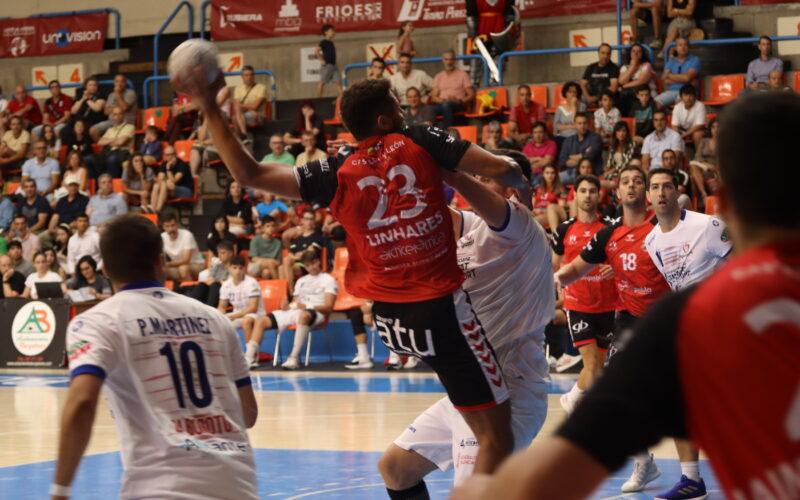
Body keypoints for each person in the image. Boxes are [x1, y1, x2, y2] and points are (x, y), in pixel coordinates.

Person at [171, 68, 527, 479]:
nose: (402, 111)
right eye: (397, 105)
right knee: (497, 437)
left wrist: (211, 110)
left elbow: (249, 174)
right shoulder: (420, 139)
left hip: (389, 319)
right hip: (439, 309)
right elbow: (504, 172)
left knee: (412, 454)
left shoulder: (335, 169)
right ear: (385, 119)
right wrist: (507, 173)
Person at [452, 91, 800, 500]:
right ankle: (679, 472)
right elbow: (575, 266)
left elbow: (534, 482)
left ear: (723, 203)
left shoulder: (692, 322)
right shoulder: (635, 253)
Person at [379, 151, 552, 493]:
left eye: (488, 175)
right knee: (396, 468)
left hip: (511, 391)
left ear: (516, 187)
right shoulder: (470, 230)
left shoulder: (521, 226)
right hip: (471, 386)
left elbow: (463, 183)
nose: (479, 180)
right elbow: (429, 212)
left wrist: (444, 161)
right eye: (480, 175)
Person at [52, 213, 258, 500]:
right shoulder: (216, 319)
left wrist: (60, 491)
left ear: (106, 268)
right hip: (238, 486)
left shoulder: (98, 321)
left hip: (162, 488)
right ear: (160, 261)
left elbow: (82, 402)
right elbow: (248, 415)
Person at [639, 166, 732, 500]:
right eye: (655, 187)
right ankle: (692, 480)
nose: (661, 192)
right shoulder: (651, 240)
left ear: (678, 192)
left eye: (667, 186)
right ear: (648, 196)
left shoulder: (707, 226)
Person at [552, 174, 617, 410]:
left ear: (598, 194)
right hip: (578, 305)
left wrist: (614, 269)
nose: (587, 195)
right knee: (590, 366)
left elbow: (621, 259)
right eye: (583, 190)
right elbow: (555, 264)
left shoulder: (611, 226)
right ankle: (579, 410)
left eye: (592, 191)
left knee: (597, 369)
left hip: (608, 305)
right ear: (575, 194)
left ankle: (571, 399)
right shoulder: (564, 229)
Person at [249, 250, 337, 370]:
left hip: (316, 312)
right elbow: (295, 302)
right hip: (297, 311)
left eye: (313, 263)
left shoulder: (328, 280)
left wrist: (307, 307)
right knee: (261, 321)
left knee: (304, 315)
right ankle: (249, 358)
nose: (311, 267)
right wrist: (287, 306)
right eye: (307, 265)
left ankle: (293, 357)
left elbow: (328, 307)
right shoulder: (301, 281)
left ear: (318, 262)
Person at [218, 255, 264, 364]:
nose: (237, 271)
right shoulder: (226, 285)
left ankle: (250, 356)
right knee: (220, 323)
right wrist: (220, 315)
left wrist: (233, 316)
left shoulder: (251, 283)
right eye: (234, 268)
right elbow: (222, 306)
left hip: (257, 314)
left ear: (245, 268)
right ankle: (225, 356)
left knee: (246, 321)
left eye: (240, 268)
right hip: (238, 314)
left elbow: (253, 308)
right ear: (229, 268)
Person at [281, 208, 323, 293]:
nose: (309, 221)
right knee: (281, 268)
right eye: (306, 219)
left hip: (308, 264)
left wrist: (296, 256)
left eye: (311, 219)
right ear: (302, 220)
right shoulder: (297, 238)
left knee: (286, 262)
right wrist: (297, 255)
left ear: (314, 221)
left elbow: (310, 252)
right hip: (296, 264)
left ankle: (291, 293)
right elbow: (290, 254)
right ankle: (286, 293)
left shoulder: (317, 236)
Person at [430, 50, 475, 129]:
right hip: (442, 103)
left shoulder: (462, 75)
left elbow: (471, 94)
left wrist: (460, 101)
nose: (449, 62)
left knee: (447, 105)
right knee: (427, 109)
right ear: (443, 60)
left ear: (454, 60)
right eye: (446, 59)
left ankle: (447, 132)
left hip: (458, 104)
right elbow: (434, 97)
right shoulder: (439, 76)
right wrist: (444, 100)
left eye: (451, 59)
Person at [558, 112, 603, 183]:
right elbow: (562, 161)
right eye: (579, 123)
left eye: (584, 123)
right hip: (570, 173)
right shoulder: (568, 141)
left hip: (590, 174)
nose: (582, 126)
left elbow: (589, 157)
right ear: (575, 125)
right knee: (553, 178)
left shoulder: (595, 138)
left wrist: (571, 157)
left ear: (588, 124)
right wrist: (582, 155)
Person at [89, 74, 137, 141]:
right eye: (117, 81)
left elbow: (125, 108)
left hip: (126, 122)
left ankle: (111, 145)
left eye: (122, 81)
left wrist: (117, 94)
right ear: (114, 83)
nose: (119, 84)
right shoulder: (111, 95)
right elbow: (106, 111)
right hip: (111, 122)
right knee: (93, 130)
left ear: (125, 83)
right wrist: (118, 108)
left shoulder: (130, 93)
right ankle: (103, 148)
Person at [655, 37, 700, 107]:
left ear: (689, 47)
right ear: (676, 48)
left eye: (685, 45)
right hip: (671, 92)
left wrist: (669, 75)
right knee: (654, 104)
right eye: (680, 45)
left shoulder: (695, 60)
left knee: (679, 105)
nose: (683, 47)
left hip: (687, 92)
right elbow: (665, 80)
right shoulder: (670, 62)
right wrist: (685, 79)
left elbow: (687, 78)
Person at [161, 212, 204, 282]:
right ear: (163, 227)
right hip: (177, 266)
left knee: (183, 268)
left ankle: (190, 291)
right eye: (167, 226)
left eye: (173, 225)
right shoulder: (162, 237)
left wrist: (167, 264)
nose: (170, 229)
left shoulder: (187, 235)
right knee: (160, 271)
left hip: (196, 265)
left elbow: (186, 260)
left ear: (177, 224)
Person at [190, 239, 234, 307]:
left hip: (225, 295)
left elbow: (228, 284)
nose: (219, 255)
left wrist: (216, 282)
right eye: (218, 253)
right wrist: (218, 282)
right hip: (212, 293)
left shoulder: (235, 267)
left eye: (223, 253)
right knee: (201, 285)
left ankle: (210, 309)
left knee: (215, 285)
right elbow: (208, 281)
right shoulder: (217, 266)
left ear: (230, 253)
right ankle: (192, 307)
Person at [93, 107, 134, 178]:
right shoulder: (110, 129)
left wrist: (108, 141)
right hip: (108, 153)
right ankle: (97, 184)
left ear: (123, 115)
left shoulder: (130, 127)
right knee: (89, 159)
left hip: (122, 153)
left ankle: (112, 184)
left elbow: (121, 142)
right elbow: (100, 142)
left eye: (119, 114)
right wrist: (115, 140)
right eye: (115, 114)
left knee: (112, 160)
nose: (117, 116)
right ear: (112, 116)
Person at [151, 144, 194, 213]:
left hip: (186, 191)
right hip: (170, 188)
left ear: (176, 154)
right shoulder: (163, 164)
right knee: (156, 186)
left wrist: (168, 169)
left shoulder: (182, 165)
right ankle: (153, 209)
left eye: (172, 154)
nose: (170, 157)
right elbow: (159, 180)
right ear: (164, 156)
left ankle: (157, 211)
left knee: (166, 184)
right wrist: (166, 182)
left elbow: (174, 181)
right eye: (168, 155)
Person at [689, 117, 718, 203]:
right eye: (713, 127)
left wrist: (714, 167)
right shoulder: (704, 141)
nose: (715, 129)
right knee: (693, 166)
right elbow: (697, 157)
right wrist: (707, 164)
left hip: (717, 168)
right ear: (710, 129)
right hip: (704, 166)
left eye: (718, 127)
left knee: (693, 168)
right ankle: (704, 194)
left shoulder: (724, 141)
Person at [532, 164, 568, 230]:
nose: (550, 176)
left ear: (556, 175)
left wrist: (544, 211)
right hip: (536, 212)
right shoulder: (537, 188)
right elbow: (531, 206)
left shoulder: (560, 190)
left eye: (552, 173)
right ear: (543, 174)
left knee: (532, 222)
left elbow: (561, 208)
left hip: (550, 215)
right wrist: (535, 211)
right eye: (547, 173)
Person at [233, 65, 268, 132]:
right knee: (235, 118)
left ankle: (242, 136)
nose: (249, 77)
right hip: (243, 115)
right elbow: (236, 105)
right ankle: (243, 137)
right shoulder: (238, 89)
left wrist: (242, 106)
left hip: (258, 115)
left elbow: (255, 106)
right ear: (242, 77)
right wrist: (249, 107)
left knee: (236, 118)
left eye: (251, 75)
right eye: (246, 75)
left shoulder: (261, 88)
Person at [522, 121, 556, 186]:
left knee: (535, 182)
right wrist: (539, 158)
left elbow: (547, 162)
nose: (538, 135)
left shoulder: (551, 144)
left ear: (545, 133)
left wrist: (531, 162)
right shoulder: (528, 145)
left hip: (543, 174)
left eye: (540, 132)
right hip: (528, 174)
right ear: (532, 134)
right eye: (535, 132)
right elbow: (523, 161)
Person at [317, 24, 343, 97]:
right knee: (322, 82)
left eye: (333, 31)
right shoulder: (324, 42)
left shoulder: (331, 42)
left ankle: (342, 97)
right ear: (326, 32)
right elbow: (316, 51)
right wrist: (321, 60)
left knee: (338, 82)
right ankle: (319, 98)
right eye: (331, 31)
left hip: (334, 65)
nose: (333, 32)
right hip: (327, 65)